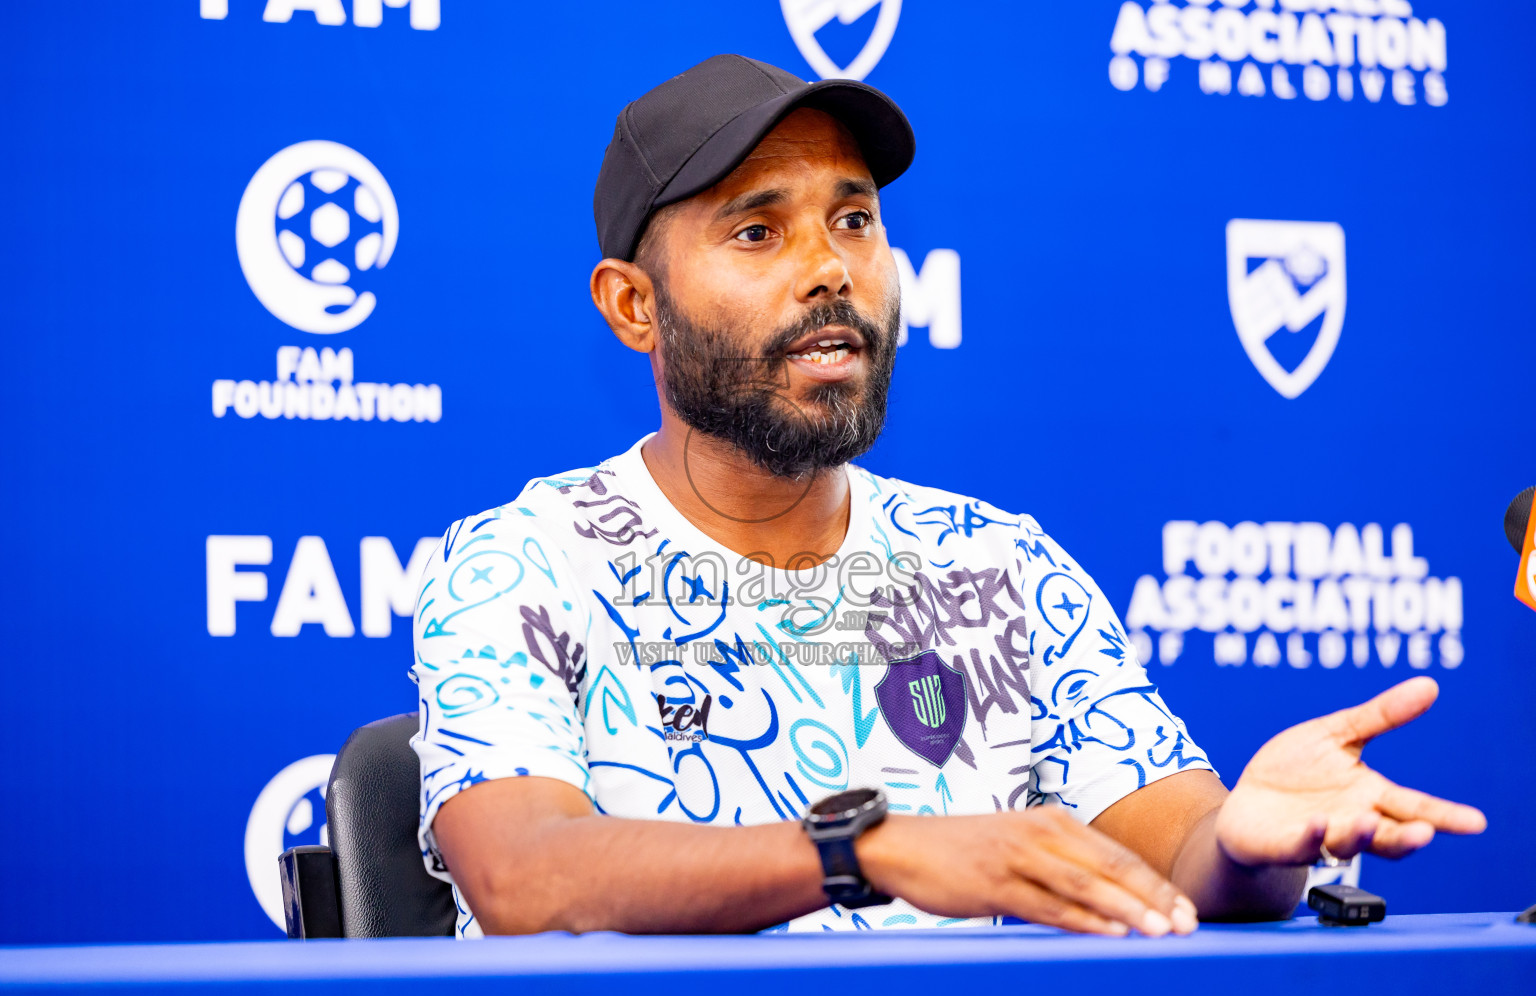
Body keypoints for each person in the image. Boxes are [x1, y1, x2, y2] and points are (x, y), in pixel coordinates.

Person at [410, 55, 1485, 938]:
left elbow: (1187, 858)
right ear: (634, 306)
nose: (829, 269)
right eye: (757, 231)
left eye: (855, 221)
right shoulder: (523, 561)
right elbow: (528, 878)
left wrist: (1255, 846)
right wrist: (864, 851)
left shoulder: (998, 568)